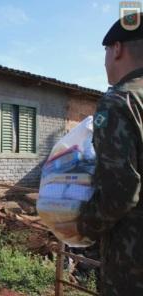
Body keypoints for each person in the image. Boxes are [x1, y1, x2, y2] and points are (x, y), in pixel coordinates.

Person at [75, 13, 143, 295]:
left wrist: (80, 225)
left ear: (117, 49)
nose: (104, 61)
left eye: (105, 51)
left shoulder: (118, 102)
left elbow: (121, 191)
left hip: (131, 265)